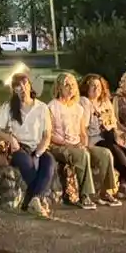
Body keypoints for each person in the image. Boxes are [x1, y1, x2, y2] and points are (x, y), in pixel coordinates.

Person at [47, 71, 119, 209]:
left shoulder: (78, 108)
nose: (71, 88)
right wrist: (68, 144)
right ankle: (84, 195)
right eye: (66, 85)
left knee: (105, 154)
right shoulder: (52, 107)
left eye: (73, 85)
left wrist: (83, 144)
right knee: (82, 155)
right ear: (59, 88)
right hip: (59, 146)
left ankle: (104, 192)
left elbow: (83, 132)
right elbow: (49, 135)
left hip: (76, 144)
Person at [0, 72, 56, 217]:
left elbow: (47, 135)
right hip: (19, 148)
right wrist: (10, 138)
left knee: (49, 162)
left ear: (30, 85)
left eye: (25, 84)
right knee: (25, 162)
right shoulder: (9, 107)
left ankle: (32, 200)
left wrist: (38, 154)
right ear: (14, 90)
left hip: (38, 148)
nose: (23, 88)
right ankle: (38, 200)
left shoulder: (42, 107)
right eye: (18, 87)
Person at [81, 74, 126, 201]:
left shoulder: (106, 102)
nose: (96, 89)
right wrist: (85, 145)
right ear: (86, 87)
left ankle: (123, 186)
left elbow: (114, 122)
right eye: (93, 86)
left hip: (111, 135)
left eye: (98, 86)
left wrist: (123, 133)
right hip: (96, 138)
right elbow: (84, 127)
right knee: (114, 149)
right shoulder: (85, 102)